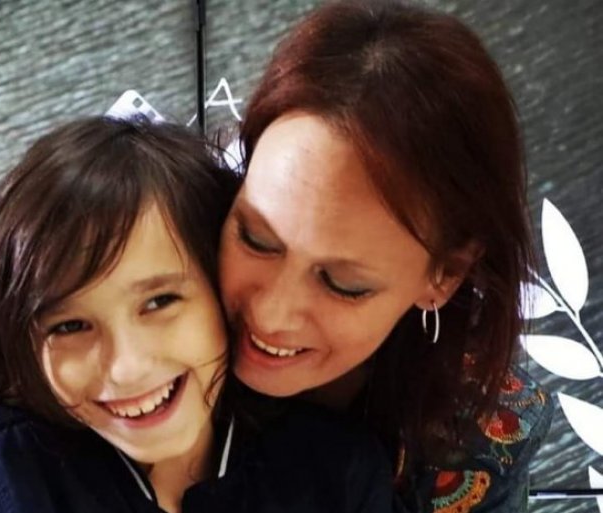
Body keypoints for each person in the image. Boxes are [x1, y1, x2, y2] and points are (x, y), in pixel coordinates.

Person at [0, 116, 395, 513]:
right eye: (70, 326)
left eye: (159, 302)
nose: (127, 368)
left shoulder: (335, 474)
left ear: (220, 287)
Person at [220, 1, 552, 512]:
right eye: (256, 240)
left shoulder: (485, 435)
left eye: (343, 284)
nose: (270, 313)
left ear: (445, 274)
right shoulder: (137, 318)